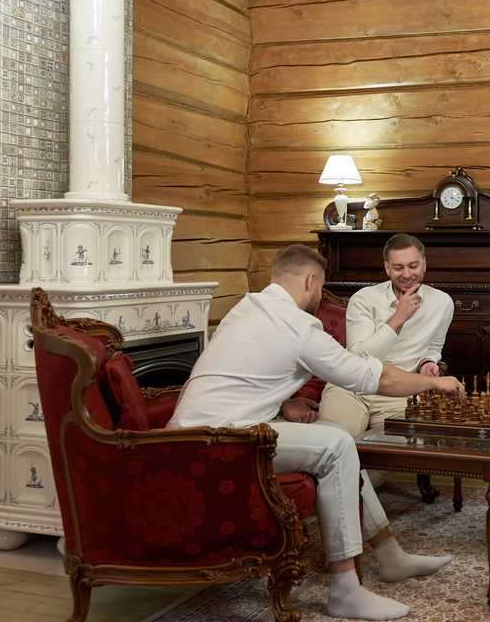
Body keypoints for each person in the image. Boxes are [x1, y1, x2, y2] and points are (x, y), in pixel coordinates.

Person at [167, 244, 465, 620]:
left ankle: (390, 556)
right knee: (337, 443)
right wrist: (436, 383)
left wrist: (285, 403)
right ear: (311, 281)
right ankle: (345, 591)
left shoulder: (246, 307)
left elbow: (241, 377)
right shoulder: (299, 325)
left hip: (186, 439)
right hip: (219, 443)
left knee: (332, 436)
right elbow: (371, 377)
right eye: (321, 287)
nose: (320, 296)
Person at [319, 233, 456, 437]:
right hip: (350, 388)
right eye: (398, 267)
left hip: (400, 392)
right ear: (387, 268)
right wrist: (398, 318)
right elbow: (358, 359)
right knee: (336, 440)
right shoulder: (364, 299)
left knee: (396, 449)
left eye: (413, 266)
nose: (407, 274)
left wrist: (427, 361)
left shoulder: (442, 302)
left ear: (424, 264)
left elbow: (434, 347)